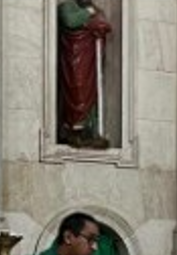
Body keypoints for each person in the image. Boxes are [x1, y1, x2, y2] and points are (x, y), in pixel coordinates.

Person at [57, 0, 112, 149]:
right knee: (76, 90)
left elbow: (105, 25)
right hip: (74, 57)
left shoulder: (95, 9)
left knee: (91, 93)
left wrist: (95, 22)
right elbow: (70, 21)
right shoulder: (66, 6)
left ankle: (90, 132)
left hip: (90, 59)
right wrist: (88, 14)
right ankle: (73, 131)